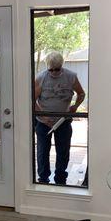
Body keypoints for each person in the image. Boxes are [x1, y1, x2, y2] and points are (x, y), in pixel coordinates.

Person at [34, 51, 85, 185]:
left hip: (63, 120)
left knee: (63, 152)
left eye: (57, 69)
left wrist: (75, 106)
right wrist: (44, 117)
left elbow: (81, 94)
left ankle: (60, 179)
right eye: (51, 70)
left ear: (61, 66)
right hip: (43, 122)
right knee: (42, 152)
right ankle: (43, 180)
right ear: (47, 67)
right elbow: (31, 100)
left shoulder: (71, 77)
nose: (54, 73)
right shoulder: (40, 78)